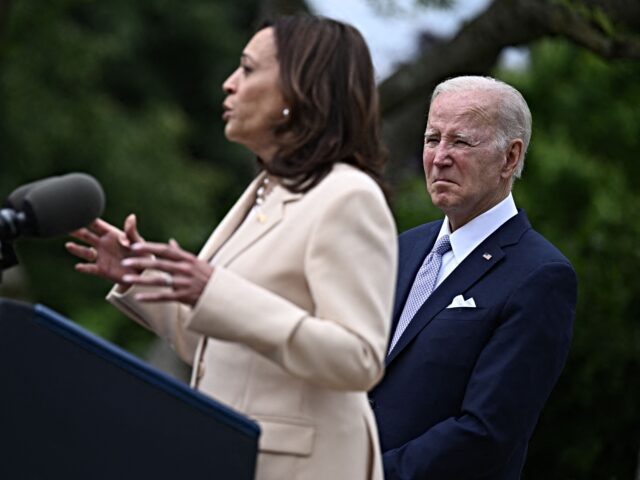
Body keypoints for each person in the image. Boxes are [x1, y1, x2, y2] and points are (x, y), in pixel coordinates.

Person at [65, 15, 397, 480]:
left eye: (246, 69)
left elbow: (358, 358)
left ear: (298, 90)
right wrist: (141, 276)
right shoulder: (266, 190)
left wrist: (215, 291)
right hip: (232, 454)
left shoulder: (348, 197)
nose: (229, 84)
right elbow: (214, 345)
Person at [369, 76, 577, 479]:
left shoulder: (541, 276)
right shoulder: (402, 248)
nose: (440, 157)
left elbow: (487, 434)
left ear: (510, 158)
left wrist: (369, 473)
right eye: (432, 139)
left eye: (461, 142)